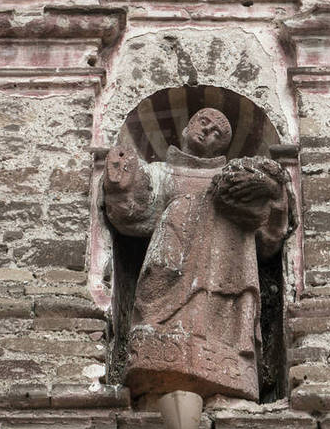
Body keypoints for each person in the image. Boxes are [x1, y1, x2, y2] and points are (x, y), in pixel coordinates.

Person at [103, 106, 291, 402]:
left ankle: (223, 359)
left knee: (221, 296)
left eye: (219, 132)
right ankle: (161, 349)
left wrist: (271, 189)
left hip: (227, 256)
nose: (208, 131)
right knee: (157, 291)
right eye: (204, 123)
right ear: (187, 126)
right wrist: (121, 177)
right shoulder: (162, 172)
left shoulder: (234, 175)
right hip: (173, 247)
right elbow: (134, 211)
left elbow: (267, 233)